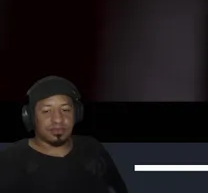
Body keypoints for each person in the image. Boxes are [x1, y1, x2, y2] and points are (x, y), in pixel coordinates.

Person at [0, 76, 129, 193]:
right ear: (30, 117)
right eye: (46, 111)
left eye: (66, 110)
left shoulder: (92, 147)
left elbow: (118, 187)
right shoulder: (10, 160)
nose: (58, 119)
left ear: (77, 114)